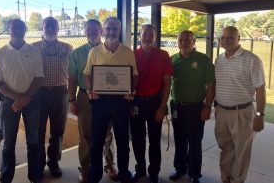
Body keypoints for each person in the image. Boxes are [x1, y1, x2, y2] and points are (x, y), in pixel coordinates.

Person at [83, 16, 138, 183]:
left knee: (122, 140)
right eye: (108, 28)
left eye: (115, 28)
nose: (111, 31)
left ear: (119, 30)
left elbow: (134, 75)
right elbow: (87, 74)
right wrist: (90, 90)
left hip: (121, 101)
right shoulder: (94, 52)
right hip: (100, 101)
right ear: (103, 31)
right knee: (97, 140)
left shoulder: (128, 52)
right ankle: (95, 174)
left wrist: (131, 90)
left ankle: (124, 173)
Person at [0, 19, 44, 183]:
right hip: (9, 103)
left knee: (33, 142)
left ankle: (34, 177)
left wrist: (24, 98)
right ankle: (6, 179)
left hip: (32, 101)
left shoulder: (34, 51)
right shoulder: (0, 53)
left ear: (25, 30)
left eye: (21, 27)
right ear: (8, 29)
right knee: (8, 144)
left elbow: (39, 78)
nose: (18, 30)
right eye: (15, 27)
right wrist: (18, 98)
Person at [68, 19, 118, 183]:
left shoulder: (110, 49)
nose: (91, 32)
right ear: (84, 32)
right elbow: (73, 78)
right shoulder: (77, 53)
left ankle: (109, 164)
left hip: (107, 97)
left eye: (95, 29)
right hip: (85, 96)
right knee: (86, 134)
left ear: (101, 31)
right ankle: (85, 168)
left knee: (107, 133)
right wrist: (72, 100)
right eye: (88, 30)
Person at [214, 26, 266, 183]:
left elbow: (261, 90)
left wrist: (259, 116)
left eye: (231, 37)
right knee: (226, 148)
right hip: (221, 112)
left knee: (242, 151)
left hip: (242, 113)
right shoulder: (219, 59)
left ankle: (238, 180)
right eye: (223, 37)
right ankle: (225, 178)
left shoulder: (252, 60)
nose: (226, 40)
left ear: (239, 38)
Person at [169, 30, 215, 183]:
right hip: (176, 107)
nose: (184, 42)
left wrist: (207, 107)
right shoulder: (172, 59)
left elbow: (210, 85)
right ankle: (180, 169)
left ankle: (194, 173)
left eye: (188, 40)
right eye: (181, 39)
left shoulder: (203, 60)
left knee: (194, 142)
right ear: (177, 42)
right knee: (179, 140)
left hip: (195, 108)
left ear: (194, 41)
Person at [130, 24, 172, 183]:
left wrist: (162, 107)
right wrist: (129, 105)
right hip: (136, 103)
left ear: (155, 37)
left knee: (155, 140)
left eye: (151, 35)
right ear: (139, 36)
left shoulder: (163, 55)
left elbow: (167, 84)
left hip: (155, 102)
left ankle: (154, 173)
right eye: (145, 34)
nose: (148, 37)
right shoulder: (132, 55)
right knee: (137, 139)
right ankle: (140, 170)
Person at [32, 17, 72, 179]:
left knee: (57, 131)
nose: (50, 28)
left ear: (58, 28)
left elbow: (73, 72)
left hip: (60, 93)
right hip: (38, 94)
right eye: (47, 26)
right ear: (42, 28)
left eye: (53, 26)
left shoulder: (67, 48)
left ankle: (53, 162)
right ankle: (39, 163)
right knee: (38, 131)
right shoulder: (33, 48)